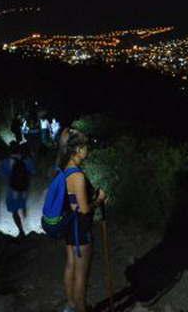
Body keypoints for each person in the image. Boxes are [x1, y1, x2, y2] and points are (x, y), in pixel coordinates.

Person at [58, 128, 107, 312]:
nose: (88, 149)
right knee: (81, 274)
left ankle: (71, 306)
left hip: (70, 225)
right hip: (81, 227)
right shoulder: (77, 176)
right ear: (77, 149)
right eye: (86, 146)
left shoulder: (65, 169)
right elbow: (85, 208)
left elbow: (73, 202)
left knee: (71, 264)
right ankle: (81, 308)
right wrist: (99, 200)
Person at [0, 142, 35, 238]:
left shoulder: (6, 162)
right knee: (22, 204)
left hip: (12, 190)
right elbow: (33, 172)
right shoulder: (27, 161)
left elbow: (2, 176)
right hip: (24, 189)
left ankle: (21, 230)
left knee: (14, 211)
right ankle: (25, 218)